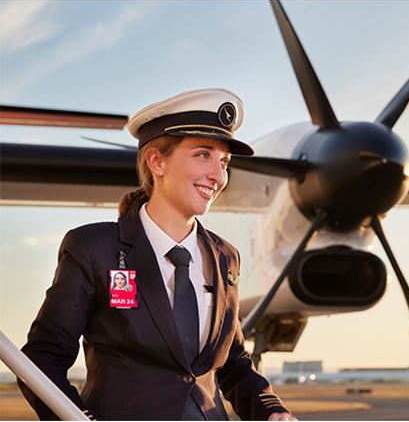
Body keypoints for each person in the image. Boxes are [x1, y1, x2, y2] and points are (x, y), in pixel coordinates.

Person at [18, 89, 297, 421]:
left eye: (224, 162)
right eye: (203, 155)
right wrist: (77, 418)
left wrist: (271, 411)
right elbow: (41, 358)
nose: (218, 176)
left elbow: (233, 362)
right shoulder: (93, 248)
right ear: (156, 161)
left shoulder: (225, 257)